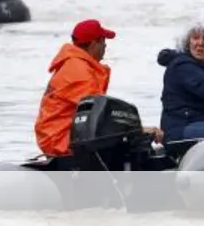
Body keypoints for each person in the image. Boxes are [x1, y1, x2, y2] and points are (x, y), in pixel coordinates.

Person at [34, 19, 164, 158]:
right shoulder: (79, 72)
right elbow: (98, 115)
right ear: (93, 44)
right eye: (103, 41)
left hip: (56, 136)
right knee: (133, 142)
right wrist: (140, 131)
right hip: (60, 140)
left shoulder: (73, 64)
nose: (105, 45)